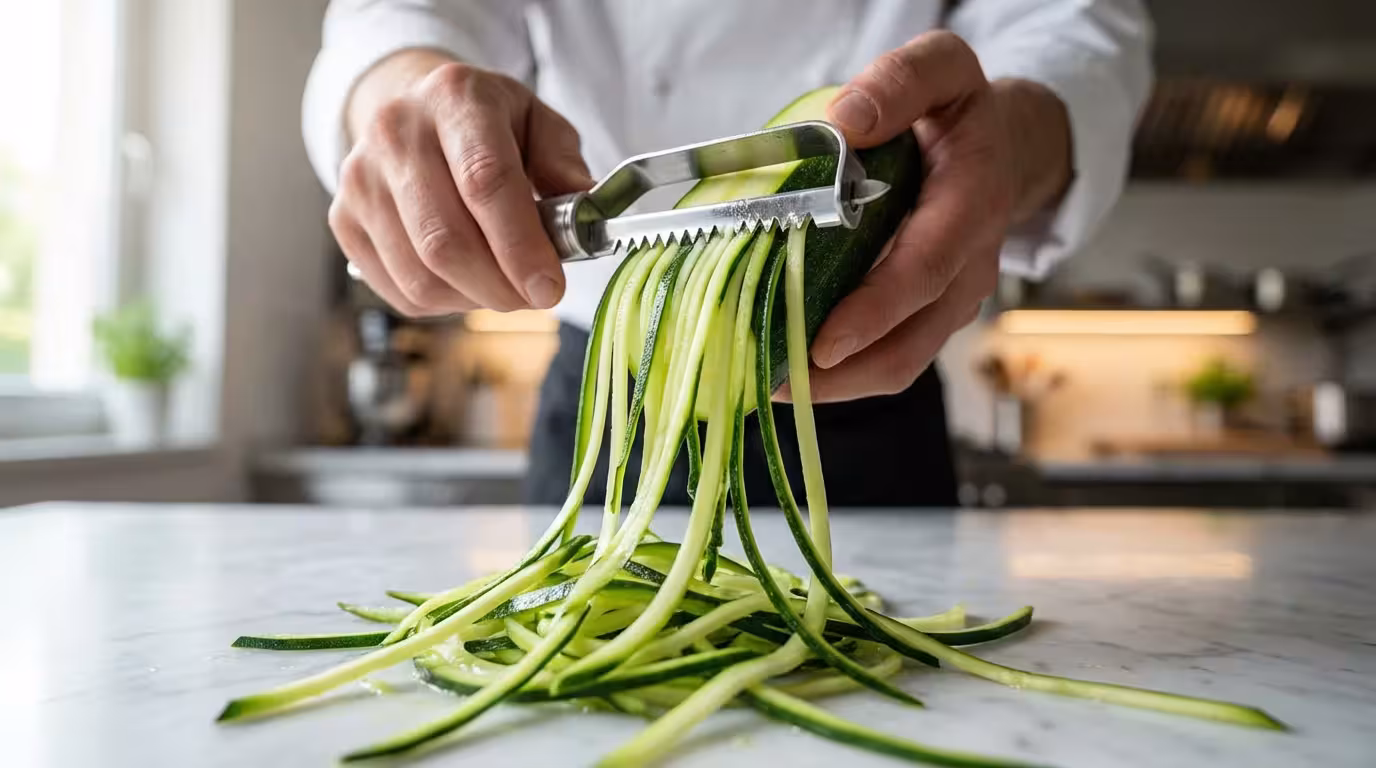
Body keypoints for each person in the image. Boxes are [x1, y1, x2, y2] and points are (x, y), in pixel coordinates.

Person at [304, 1, 1152, 507]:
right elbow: (402, 13)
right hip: (605, 401)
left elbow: (1069, 24)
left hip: (867, 370)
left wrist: (1012, 137)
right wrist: (405, 88)